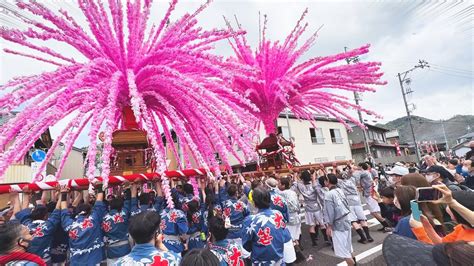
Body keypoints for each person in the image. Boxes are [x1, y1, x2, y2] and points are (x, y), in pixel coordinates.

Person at [241, 186, 294, 265]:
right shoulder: (277, 214)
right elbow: (285, 236)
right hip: (278, 259)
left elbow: (246, 246)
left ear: (254, 203)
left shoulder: (250, 220)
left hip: (260, 261)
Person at [410, 184, 474, 244]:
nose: (447, 206)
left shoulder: (469, 241)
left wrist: (419, 230)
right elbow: (442, 243)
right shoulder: (462, 228)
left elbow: (434, 252)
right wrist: (427, 226)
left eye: (449, 205)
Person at [60, 184, 107, 265]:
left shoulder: (70, 224)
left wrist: (63, 194)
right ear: (90, 212)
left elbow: (64, 211)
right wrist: (99, 187)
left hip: (76, 263)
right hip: (93, 261)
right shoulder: (94, 220)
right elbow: (98, 204)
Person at [13, 190, 61, 264]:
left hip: (28, 262)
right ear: (46, 216)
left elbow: (19, 213)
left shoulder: (26, 224)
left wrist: (23, 195)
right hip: (44, 262)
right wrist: (62, 194)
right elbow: (57, 211)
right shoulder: (49, 226)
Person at [115, 211, 181, 265]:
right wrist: (164, 248)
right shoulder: (174, 259)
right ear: (156, 234)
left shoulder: (119, 264)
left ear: (131, 236)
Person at [323, 174, 355, 266]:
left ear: (327, 182)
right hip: (346, 219)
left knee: (344, 252)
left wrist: (329, 226)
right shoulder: (340, 190)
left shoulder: (328, 194)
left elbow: (330, 212)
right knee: (349, 248)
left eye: (325, 180)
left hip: (338, 223)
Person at [292, 170, 327, 246]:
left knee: (312, 225)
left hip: (308, 207)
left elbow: (295, 182)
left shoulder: (300, 185)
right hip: (316, 206)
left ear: (302, 178)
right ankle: (326, 239)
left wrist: (295, 174)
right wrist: (314, 175)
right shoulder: (314, 184)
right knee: (322, 224)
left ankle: (314, 242)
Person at [338, 168, 373, 244]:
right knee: (362, 218)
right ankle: (368, 236)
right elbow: (353, 173)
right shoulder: (352, 180)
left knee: (353, 220)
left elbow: (335, 178)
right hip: (357, 201)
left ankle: (363, 238)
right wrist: (350, 167)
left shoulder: (340, 182)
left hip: (348, 202)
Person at [102, 184, 133, 264]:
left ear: (110, 206)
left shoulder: (104, 217)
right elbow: (127, 202)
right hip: (125, 248)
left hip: (111, 250)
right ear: (121, 206)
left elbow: (100, 206)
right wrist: (128, 190)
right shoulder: (124, 214)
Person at [357, 163, 392, 232]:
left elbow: (375, 178)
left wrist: (374, 184)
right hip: (369, 192)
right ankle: (385, 225)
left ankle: (387, 225)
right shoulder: (365, 172)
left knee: (374, 211)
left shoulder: (368, 172)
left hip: (371, 192)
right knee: (373, 212)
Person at [278, 176, 305, 262]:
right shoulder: (292, 192)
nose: (278, 185)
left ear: (283, 185)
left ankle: (297, 257)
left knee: (290, 239)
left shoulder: (282, 193)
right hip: (296, 217)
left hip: (290, 219)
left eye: (279, 183)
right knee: (294, 238)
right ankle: (297, 255)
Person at [220, 182, 249, 257]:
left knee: (231, 256)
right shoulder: (242, 204)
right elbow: (248, 216)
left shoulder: (223, 204)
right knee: (242, 256)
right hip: (240, 232)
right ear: (236, 193)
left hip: (228, 232)